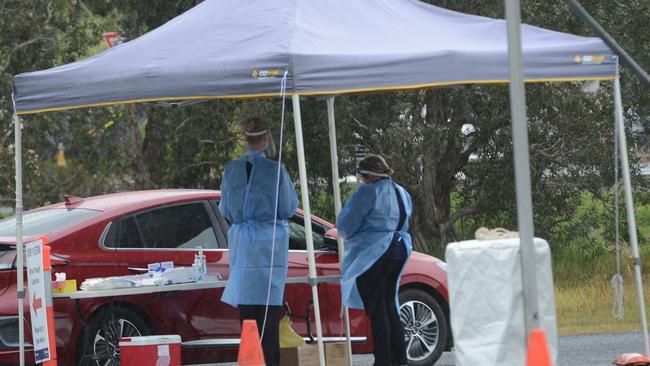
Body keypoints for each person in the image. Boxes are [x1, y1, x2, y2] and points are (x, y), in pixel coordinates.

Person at [219, 117, 298, 366]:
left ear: (246, 139)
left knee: (248, 323)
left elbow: (226, 210)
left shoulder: (231, 170)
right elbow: (287, 207)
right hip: (269, 247)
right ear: (265, 140)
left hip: (243, 247)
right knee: (269, 322)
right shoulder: (276, 171)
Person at [337, 154, 412, 366]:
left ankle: (383, 360)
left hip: (373, 253)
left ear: (367, 174)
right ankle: (399, 360)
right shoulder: (401, 192)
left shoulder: (368, 192)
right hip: (398, 250)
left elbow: (345, 225)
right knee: (390, 306)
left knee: (377, 310)